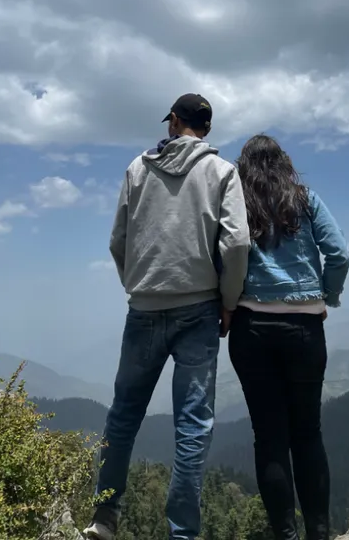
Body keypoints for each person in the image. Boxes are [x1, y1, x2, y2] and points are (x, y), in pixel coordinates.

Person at [84, 94, 250, 540]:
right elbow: (236, 244)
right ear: (207, 129)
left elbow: (118, 239)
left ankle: (104, 518)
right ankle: (182, 533)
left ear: (174, 122)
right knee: (192, 426)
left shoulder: (137, 169)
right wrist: (229, 300)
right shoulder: (222, 172)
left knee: (122, 416)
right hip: (199, 310)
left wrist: (135, 283)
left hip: (144, 306)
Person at [228, 134, 349, 540]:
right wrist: (326, 295)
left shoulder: (235, 204)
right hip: (304, 328)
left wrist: (225, 302)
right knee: (307, 433)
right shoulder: (305, 199)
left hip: (250, 329)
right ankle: (319, 533)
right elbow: (339, 254)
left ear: (243, 167)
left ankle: (286, 534)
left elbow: (221, 255)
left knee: (269, 437)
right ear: (284, 163)